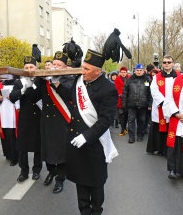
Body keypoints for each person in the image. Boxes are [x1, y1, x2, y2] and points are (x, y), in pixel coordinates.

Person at [54, 49, 118, 214]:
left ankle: (96, 211)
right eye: (82, 68)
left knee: (95, 184)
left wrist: (87, 136)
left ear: (98, 71)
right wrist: (56, 83)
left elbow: (105, 120)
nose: (82, 72)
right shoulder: (79, 81)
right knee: (80, 181)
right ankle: (84, 211)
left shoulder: (108, 89)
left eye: (87, 69)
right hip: (76, 140)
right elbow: (70, 96)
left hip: (95, 144)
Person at [26, 51, 75, 194]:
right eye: (54, 64)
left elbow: (69, 95)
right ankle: (51, 171)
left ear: (65, 67)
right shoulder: (44, 79)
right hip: (46, 120)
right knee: (46, 150)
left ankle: (60, 179)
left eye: (59, 65)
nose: (55, 66)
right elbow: (35, 97)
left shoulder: (69, 78)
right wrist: (29, 85)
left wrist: (56, 82)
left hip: (61, 121)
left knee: (60, 151)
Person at [9, 56, 42, 182]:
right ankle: (24, 171)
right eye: (26, 68)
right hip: (25, 118)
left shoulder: (40, 81)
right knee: (22, 147)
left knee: (38, 146)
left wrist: (32, 86)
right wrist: (23, 89)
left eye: (31, 67)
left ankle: (36, 170)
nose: (28, 69)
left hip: (38, 117)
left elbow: (39, 96)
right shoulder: (18, 82)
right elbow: (12, 97)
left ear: (36, 68)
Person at [147, 55, 179, 157]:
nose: (166, 64)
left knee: (172, 128)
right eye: (165, 62)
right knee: (159, 129)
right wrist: (164, 103)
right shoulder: (157, 77)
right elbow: (154, 91)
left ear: (173, 64)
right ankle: (159, 149)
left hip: (175, 108)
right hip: (160, 107)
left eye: (169, 62)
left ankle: (170, 149)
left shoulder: (179, 77)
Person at [122, 64, 152, 143]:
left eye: (140, 70)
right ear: (135, 71)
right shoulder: (130, 80)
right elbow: (125, 93)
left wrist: (150, 104)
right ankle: (131, 137)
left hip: (143, 105)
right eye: (137, 70)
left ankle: (140, 135)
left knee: (142, 121)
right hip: (131, 104)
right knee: (131, 120)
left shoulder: (147, 80)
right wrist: (124, 104)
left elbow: (150, 93)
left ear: (143, 71)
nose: (139, 72)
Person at [0, 79, 19, 166]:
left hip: (13, 112)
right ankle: (8, 155)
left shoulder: (17, 83)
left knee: (13, 135)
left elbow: (20, 97)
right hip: (3, 113)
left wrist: (12, 98)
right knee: (6, 135)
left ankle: (15, 157)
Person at [163, 74, 183, 179]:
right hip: (177, 118)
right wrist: (176, 113)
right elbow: (169, 99)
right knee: (174, 145)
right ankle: (173, 169)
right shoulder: (176, 81)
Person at [114, 67, 129, 136]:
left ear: (126, 72)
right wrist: (120, 94)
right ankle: (122, 129)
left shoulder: (129, 79)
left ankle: (125, 128)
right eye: (122, 72)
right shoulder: (117, 80)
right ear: (120, 73)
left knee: (126, 115)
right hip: (120, 99)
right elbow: (116, 88)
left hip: (127, 99)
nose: (123, 74)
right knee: (121, 114)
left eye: (124, 72)